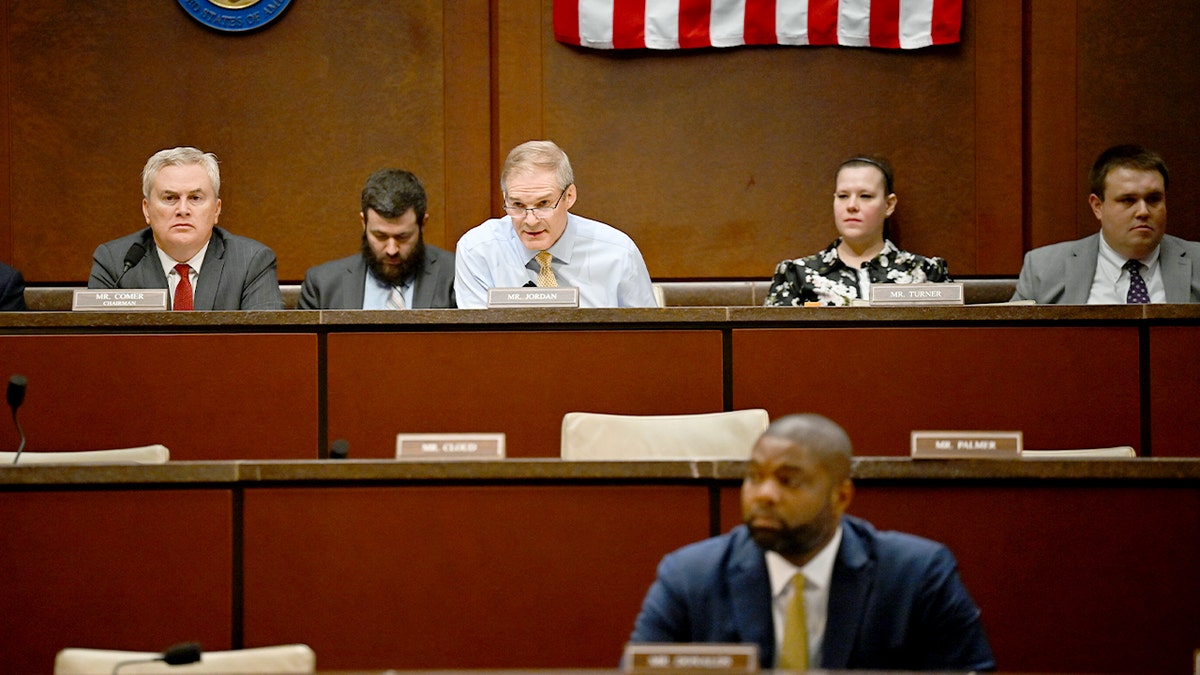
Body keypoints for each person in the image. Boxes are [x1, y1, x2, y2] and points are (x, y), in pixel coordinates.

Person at [629, 413, 995, 671]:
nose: (764, 494)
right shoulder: (689, 577)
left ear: (841, 497)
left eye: (789, 481)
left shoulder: (917, 576)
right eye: (754, 477)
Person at [454, 140, 656, 308]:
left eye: (543, 204)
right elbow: (478, 344)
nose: (531, 221)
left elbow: (647, 340)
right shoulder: (477, 250)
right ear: (505, 198)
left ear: (569, 196)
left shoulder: (618, 253)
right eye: (517, 205)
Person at [89, 146, 284, 310]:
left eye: (195, 198)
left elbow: (265, 347)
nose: (183, 210)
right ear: (147, 210)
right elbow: (97, 347)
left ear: (216, 210)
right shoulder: (115, 263)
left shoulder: (251, 262)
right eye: (170, 198)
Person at [1012, 144, 1200, 304]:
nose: (1143, 211)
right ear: (1098, 207)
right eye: (1128, 200)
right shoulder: (1043, 268)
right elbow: (1011, 341)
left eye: (1153, 199)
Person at [764, 157, 951, 306]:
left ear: (888, 204)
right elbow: (772, 346)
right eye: (843, 196)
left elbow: (953, 342)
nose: (851, 206)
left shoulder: (926, 273)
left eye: (865, 196)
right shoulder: (797, 274)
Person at [298, 168, 455, 309]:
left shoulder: (454, 276)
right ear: (364, 223)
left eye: (403, 236)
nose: (392, 250)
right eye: (380, 236)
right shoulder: (323, 285)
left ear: (422, 224)